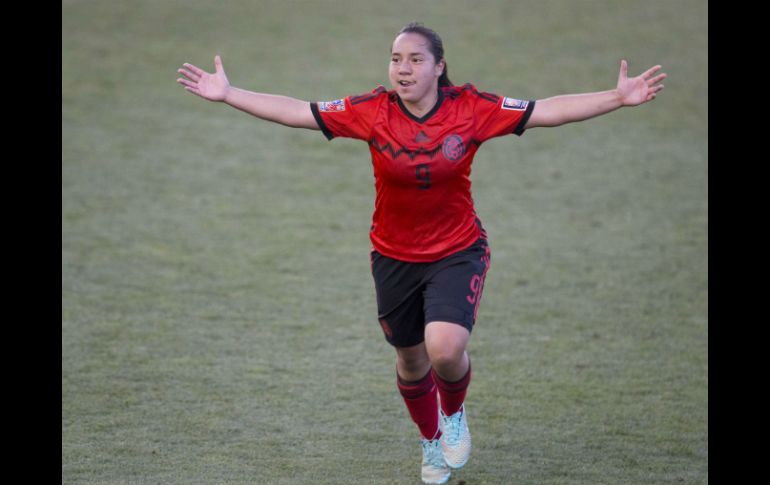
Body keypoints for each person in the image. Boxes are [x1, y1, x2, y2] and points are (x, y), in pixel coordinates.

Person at [176, 22, 665, 484]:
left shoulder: (471, 108)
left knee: (445, 349)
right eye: (395, 59)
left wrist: (617, 99)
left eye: (414, 59)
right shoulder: (373, 110)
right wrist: (229, 94)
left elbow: (546, 110)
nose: (403, 68)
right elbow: (298, 111)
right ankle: (430, 442)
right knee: (411, 363)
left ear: (438, 67)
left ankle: (453, 415)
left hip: (458, 251)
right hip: (393, 258)